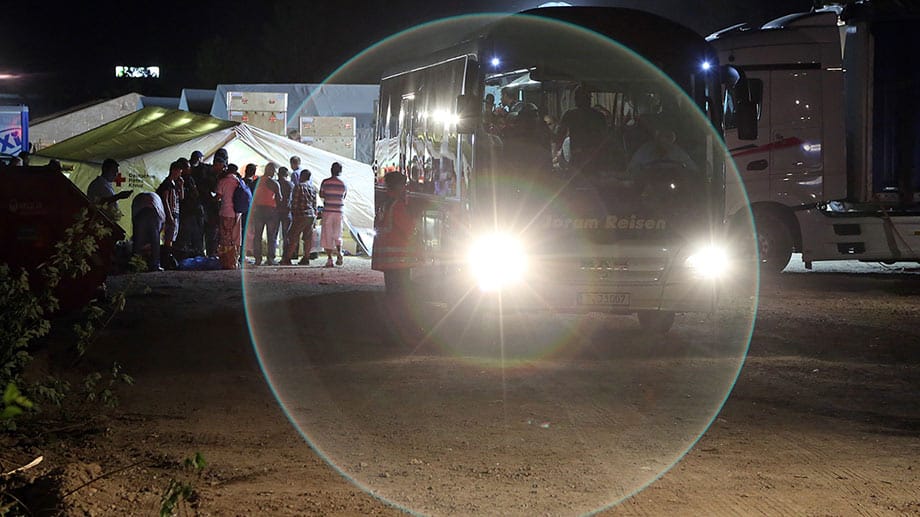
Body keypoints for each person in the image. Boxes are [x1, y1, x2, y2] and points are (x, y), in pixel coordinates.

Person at [372, 171, 417, 296]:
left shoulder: (385, 205)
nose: (405, 188)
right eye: (403, 185)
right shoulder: (398, 206)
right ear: (398, 186)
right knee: (401, 292)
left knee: (391, 290)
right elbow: (408, 228)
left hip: (387, 257)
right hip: (399, 257)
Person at [558, 85, 608, 173]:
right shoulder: (598, 116)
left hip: (589, 157)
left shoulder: (570, 115)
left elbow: (560, 135)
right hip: (588, 157)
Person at [626, 129, 698, 178]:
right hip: (648, 188)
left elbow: (693, 169)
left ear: (672, 139)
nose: (664, 140)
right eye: (662, 136)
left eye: (668, 137)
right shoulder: (645, 150)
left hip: (674, 189)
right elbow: (631, 169)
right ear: (657, 138)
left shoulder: (678, 152)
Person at [281, 169, 317, 265]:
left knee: (293, 236)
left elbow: (295, 202)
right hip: (311, 215)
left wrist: (293, 213)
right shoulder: (313, 188)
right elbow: (314, 204)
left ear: (301, 176)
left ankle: (287, 258)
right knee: (307, 238)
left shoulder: (298, 186)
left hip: (301, 215)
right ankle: (306, 258)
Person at [250, 162, 282, 266]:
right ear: (272, 171)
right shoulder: (273, 183)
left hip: (258, 210)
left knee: (257, 235)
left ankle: (257, 259)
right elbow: (279, 198)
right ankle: (270, 259)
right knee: (271, 235)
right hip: (271, 211)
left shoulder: (256, 181)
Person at [216, 163, 245, 269]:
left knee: (225, 238)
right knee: (236, 238)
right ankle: (234, 262)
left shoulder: (223, 181)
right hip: (237, 213)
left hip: (225, 212)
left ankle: (226, 262)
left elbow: (218, 196)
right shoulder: (239, 182)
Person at [319, 161, 347, 267]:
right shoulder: (343, 183)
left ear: (331, 170)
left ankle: (330, 259)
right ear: (340, 171)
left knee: (327, 234)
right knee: (337, 233)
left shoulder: (325, 182)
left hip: (328, 211)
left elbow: (321, 194)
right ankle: (339, 252)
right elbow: (344, 196)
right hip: (339, 211)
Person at [157, 160, 185, 267]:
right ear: (174, 171)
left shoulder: (175, 184)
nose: (180, 175)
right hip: (171, 213)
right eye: (179, 172)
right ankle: (166, 259)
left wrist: (181, 186)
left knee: (172, 237)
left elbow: (181, 198)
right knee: (168, 237)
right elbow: (165, 199)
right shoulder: (167, 184)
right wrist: (169, 216)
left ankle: (167, 257)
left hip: (175, 213)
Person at [175, 157, 204, 258]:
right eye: (187, 167)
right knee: (184, 236)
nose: (190, 169)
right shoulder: (178, 181)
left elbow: (195, 193)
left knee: (196, 235)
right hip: (185, 212)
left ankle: (195, 254)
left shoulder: (190, 179)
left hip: (193, 211)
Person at [131, 192, 166, 272]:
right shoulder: (161, 219)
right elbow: (159, 230)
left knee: (138, 240)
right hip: (154, 210)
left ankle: (135, 264)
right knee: (155, 239)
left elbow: (135, 229)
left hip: (140, 208)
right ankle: (155, 265)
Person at [276, 167, 294, 262]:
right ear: (287, 175)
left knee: (273, 235)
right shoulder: (290, 184)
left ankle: (271, 257)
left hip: (275, 211)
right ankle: (286, 257)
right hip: (287, 211)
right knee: (286, 235)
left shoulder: (275, 183)